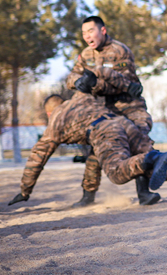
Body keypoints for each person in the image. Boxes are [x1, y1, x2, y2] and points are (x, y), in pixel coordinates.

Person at [8, 93, 167, 207]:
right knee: (151, 172)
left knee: (116, 172)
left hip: (105, 131)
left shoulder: (57, 118)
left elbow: (38, 157)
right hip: (125, 124)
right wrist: (88, 196)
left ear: (49, 112)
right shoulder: (83, 99)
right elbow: (93, 160)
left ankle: (150, 158)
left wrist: (25, 190)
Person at [65, 15, 155, 207]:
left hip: (130, 107)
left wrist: (94, 85)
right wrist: (78, 82)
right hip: (106, 110)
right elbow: (72, 76)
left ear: (102, 30)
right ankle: (87, 196)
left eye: (91, 31)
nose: (87, 36)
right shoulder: (86, 55)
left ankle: (144, 193)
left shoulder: (120, 51)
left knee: (138, 142)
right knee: (95, 149)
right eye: (83, 33)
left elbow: (124, 85)